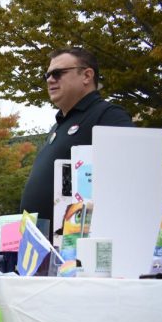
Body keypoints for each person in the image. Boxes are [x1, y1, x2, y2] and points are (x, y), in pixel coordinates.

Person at [20, 47, 132, 223]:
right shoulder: (57, 126)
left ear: (87, 76)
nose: (50, 80)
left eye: (57, 73)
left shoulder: (108, 115)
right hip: (40, 241)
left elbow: (129, 175)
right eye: (47, 75)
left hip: (75, 240)